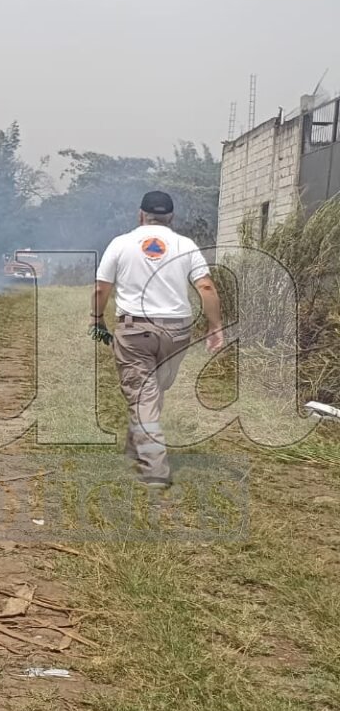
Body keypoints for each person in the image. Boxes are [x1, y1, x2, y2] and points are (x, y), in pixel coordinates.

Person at [90, 191, 225, 489]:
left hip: (135, 331)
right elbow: (206, 286)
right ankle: (134, 448)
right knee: (150, 392)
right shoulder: (185, 245)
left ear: (141, 215)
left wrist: (97, 319)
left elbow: (101, 289)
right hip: (177, 332)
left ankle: (155, 469)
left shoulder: (121, 243)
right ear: (171, 218)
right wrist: (215, 326)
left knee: (144, 395)